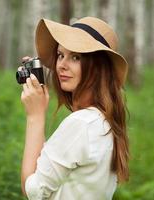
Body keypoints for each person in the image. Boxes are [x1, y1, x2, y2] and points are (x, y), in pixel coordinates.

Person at [20, 16, 129, 200]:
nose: (62, 65)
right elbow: (52, 164)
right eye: (61, 55)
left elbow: (32, 190)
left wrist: (35, 116)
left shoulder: (81, 124)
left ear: (98, 68)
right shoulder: (102, 121)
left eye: (76, 57)